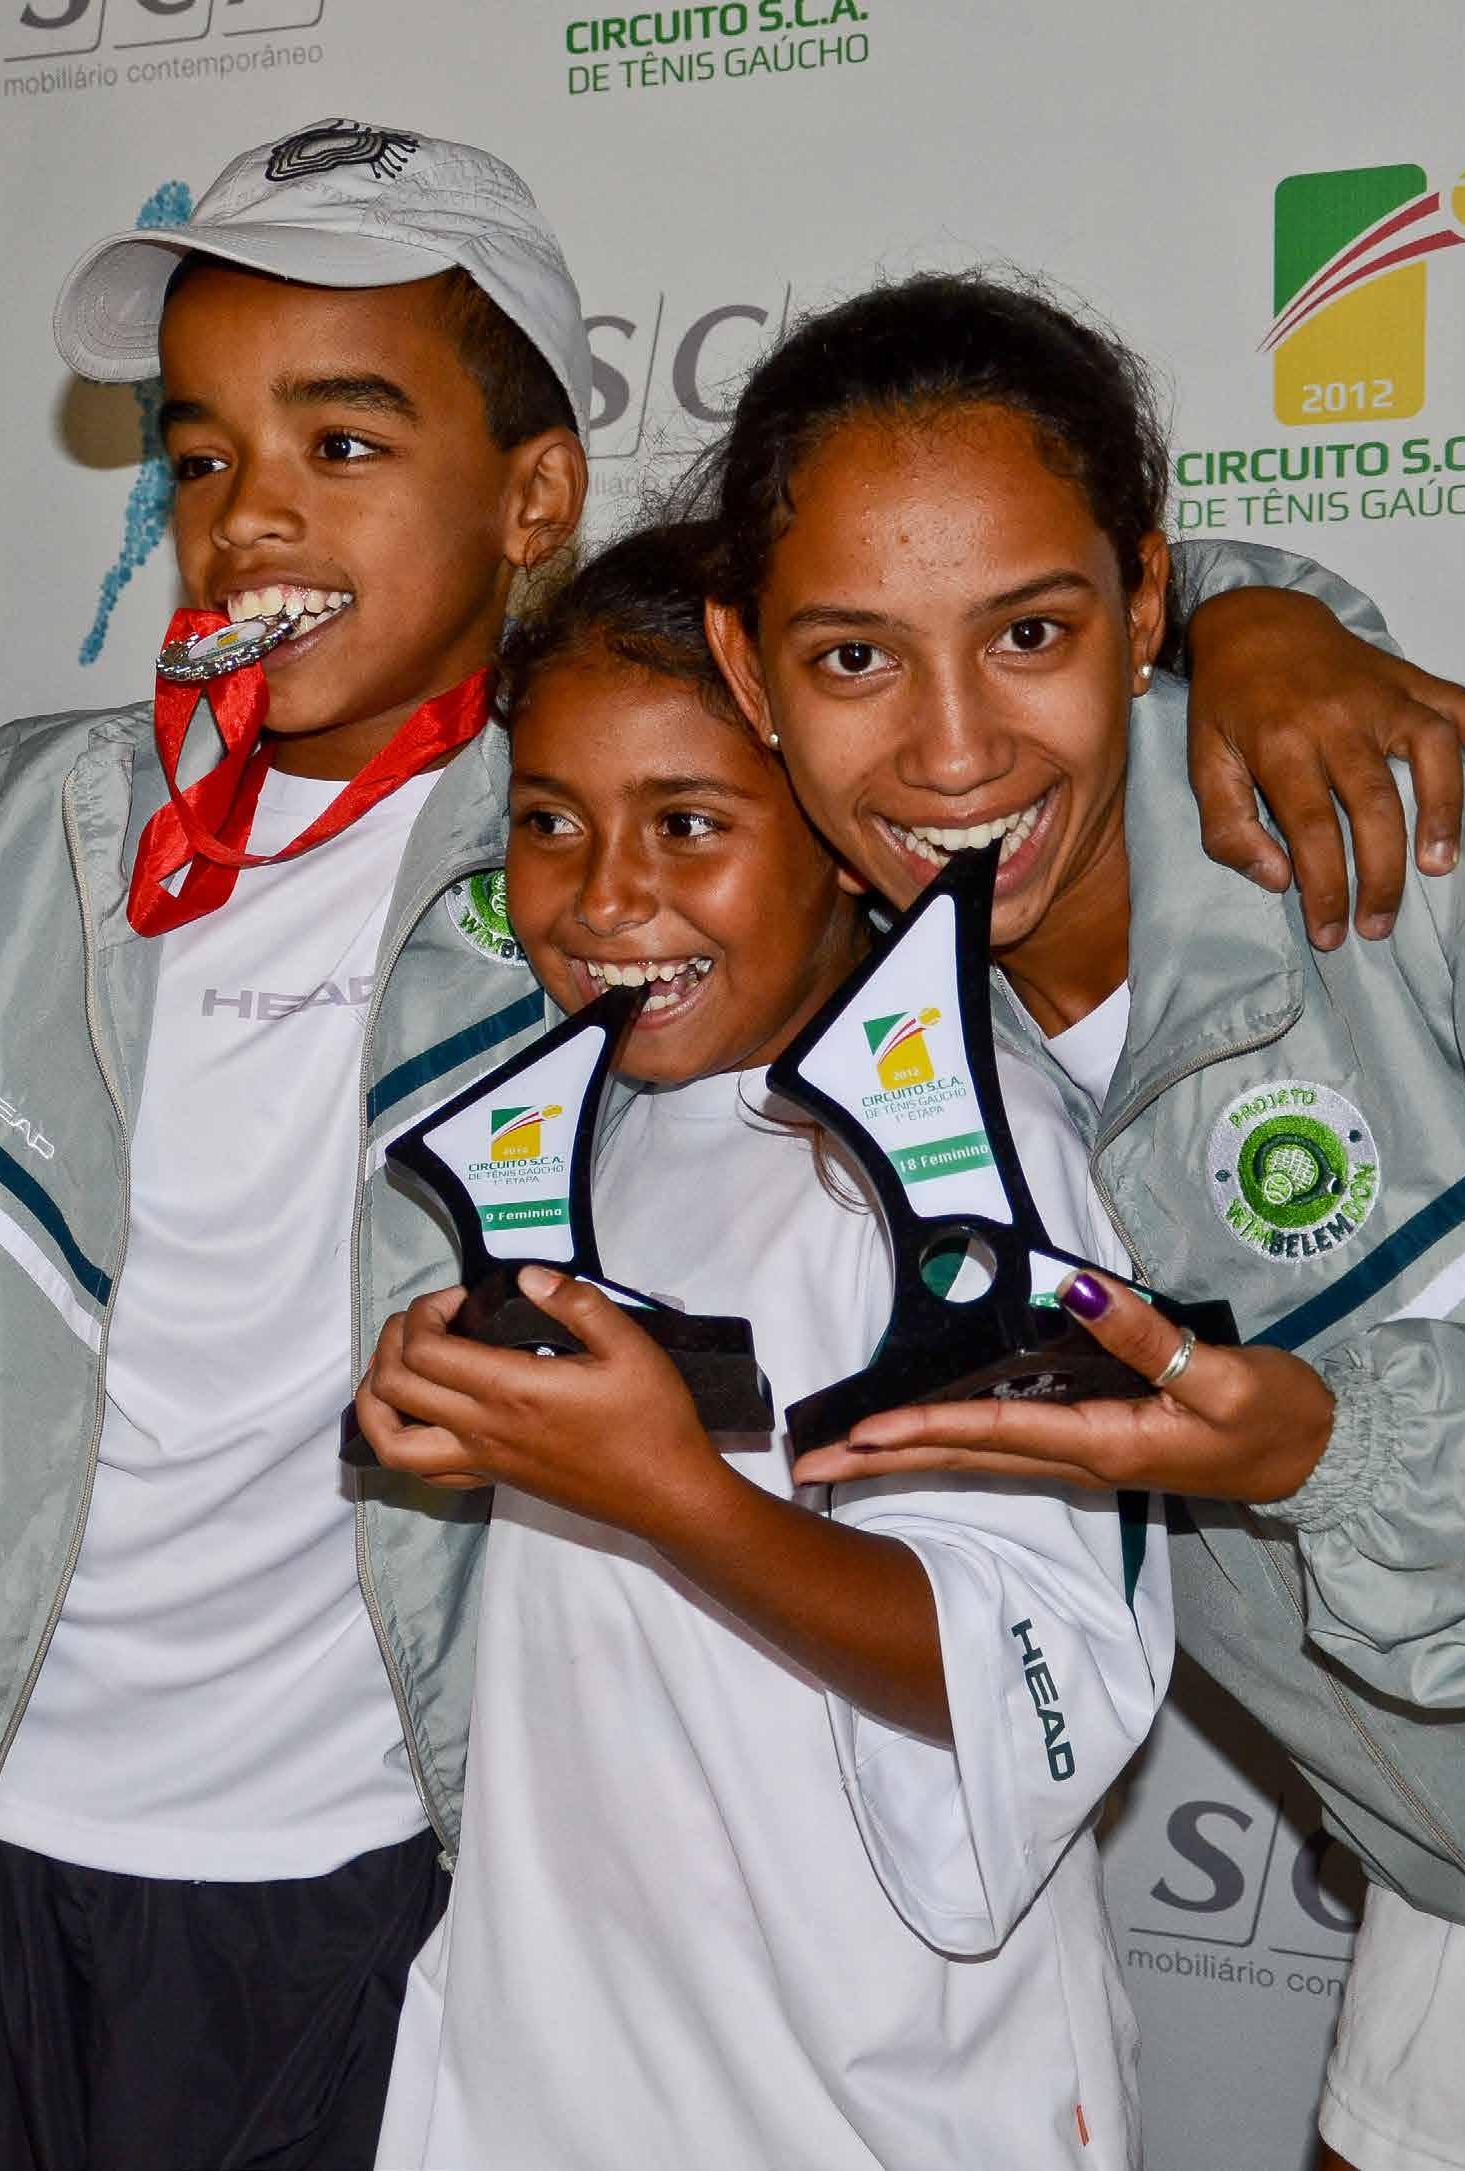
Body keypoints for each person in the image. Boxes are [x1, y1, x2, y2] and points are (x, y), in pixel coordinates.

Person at [0, 120, 1465, 2167]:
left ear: (531, 498)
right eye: (198, 456)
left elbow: (906, 661)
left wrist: (1250, 610)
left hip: (373, 1884)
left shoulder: (606, 850)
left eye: (341, 443)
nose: (253, 516)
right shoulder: (18, 845)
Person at [702, 269, 1465, 2171]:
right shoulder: (865, 1059)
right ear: (749, 677)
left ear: (1139, 608)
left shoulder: (1428, 844)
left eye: (1028, 634)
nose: (949, 750)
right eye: (852, 660)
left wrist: (1337, 1454)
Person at [359, 523, 1168, 2168]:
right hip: (556, 2064)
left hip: (869, 2093)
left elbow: (1031, 1669)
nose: (603, 897)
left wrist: (672, 1494)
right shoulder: (583, 1123)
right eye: (548, 822)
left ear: (835, 837)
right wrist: (450, 1394)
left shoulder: (957, 1157)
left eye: (686, 824)